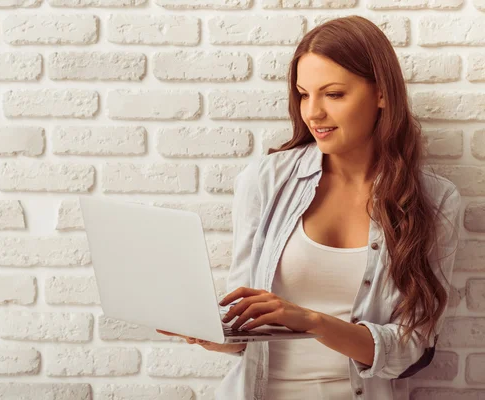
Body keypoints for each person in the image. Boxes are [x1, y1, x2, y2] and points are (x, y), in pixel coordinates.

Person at [158, 15, 461, 400]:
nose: (313, 112)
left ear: (382, 94)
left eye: (333, 94)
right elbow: (243, 331)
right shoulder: (265, 180)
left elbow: (412, 347)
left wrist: (312, 322)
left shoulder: (434, 200)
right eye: (303, 94)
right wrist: (212, 333)